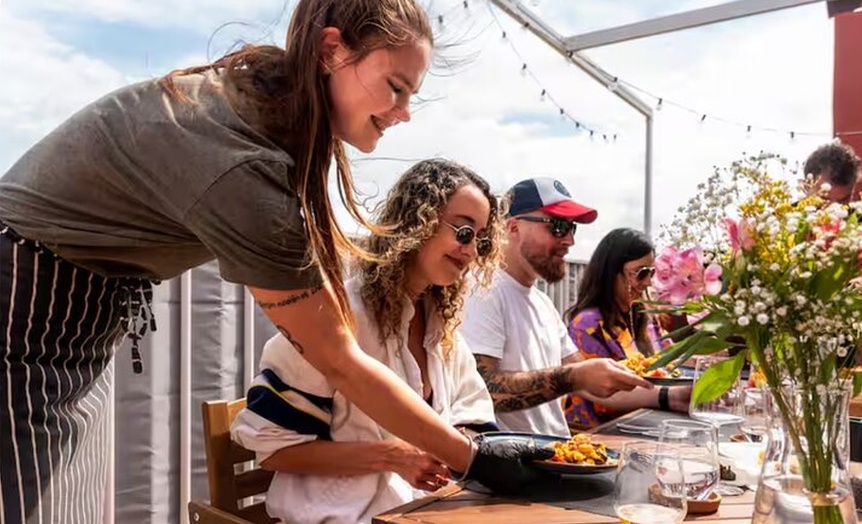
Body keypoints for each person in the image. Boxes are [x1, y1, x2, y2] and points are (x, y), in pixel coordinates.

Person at [0, 3, 539, 521]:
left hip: (79, 323)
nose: (403, 112)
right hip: (21, 313)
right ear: (332, 50)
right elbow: (337, 361)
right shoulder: (245, 167)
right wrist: (477, 461)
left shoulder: (270, 128)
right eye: (396, 87)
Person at [232, 159, 500, 524]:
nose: (471, 252)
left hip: (421, 511)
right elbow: (275, 450)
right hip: (337, 514)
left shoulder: (442, 328)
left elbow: (475, 422)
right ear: (416, 221)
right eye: (465, 233)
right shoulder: (339, 317)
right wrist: (391, 455)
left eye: (481, 241)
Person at [460, 177, 652, 439]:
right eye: (558, 226)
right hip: (513, 471)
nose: (570, 240)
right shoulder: (482, 290)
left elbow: (590, 383)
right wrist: (574, 377)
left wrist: (671, 396)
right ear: (513, 227)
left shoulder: (543, 303)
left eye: (572, 227)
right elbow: (484, 390)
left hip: (556, 456)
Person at [562, 228, 691, 429]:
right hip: (600, 432)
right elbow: (601, 391)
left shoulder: (645, 316)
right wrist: (669, 397)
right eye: (641, 273)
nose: (648, 282)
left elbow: (674, 358)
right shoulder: (587, 325)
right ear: (611, 272)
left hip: (648, 422)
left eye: (651, 273)